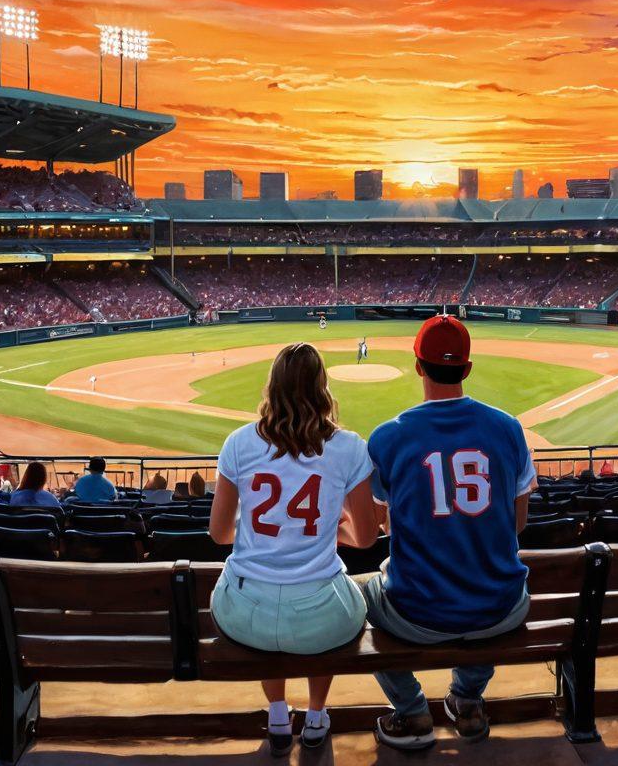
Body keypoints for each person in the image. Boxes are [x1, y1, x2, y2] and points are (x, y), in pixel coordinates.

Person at [365, 315, 536, 750]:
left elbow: (384, 525)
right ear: (467, 368)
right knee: (493, 588)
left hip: (418, 614)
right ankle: (467, 697)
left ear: (417, 366)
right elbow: (517, 524)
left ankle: (411, 710)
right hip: (499, 609)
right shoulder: (508, 428)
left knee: (362, 597)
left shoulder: (386, 437)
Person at [209, 343, 376, 754]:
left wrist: (264, 532)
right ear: (322, 387)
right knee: (334, 607)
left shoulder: (238, 443)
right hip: (321, 613)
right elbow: (367, 538)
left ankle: (278, 713)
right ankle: (316, 715)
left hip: (246, 612)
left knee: (266, 621)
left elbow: (219, 533)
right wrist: (331, 532)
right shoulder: (350, 446)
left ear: (272, 386)